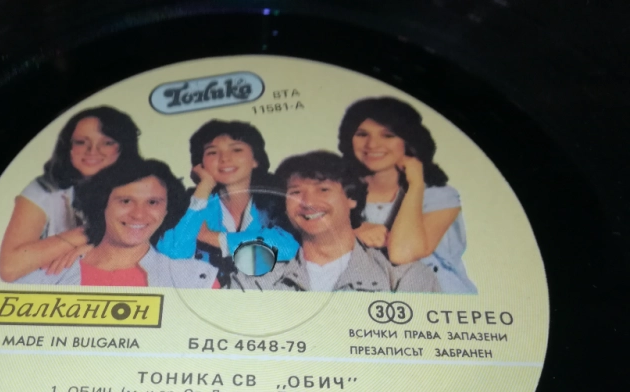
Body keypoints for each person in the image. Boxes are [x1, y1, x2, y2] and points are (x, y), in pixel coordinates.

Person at [228, 151, 440, 292]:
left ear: (351, 198)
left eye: (323, 190)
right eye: (295, 192)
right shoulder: (255, 278)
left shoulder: (405, 276)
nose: (308, 202)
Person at [338, 97, 477, 293]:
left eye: (388, 135)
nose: (372, 144)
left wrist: (416, 185)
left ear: (408, 140)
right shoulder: (336, 190)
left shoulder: (440, 196)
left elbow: (403, 253)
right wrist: (353, 231)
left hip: (438, 299)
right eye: (362, 134)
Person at [16, 159, 218, 288]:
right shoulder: (46, 275)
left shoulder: (197, 279)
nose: (139, 214)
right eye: (126, 201)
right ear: (102, 204)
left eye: (152, 202)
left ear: (166, 210)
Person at [0, 106, 140, 282]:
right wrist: (92, 234)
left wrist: (102, 248)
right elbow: (10, 268)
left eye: (107, 142)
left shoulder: (145, 188)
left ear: (123, 148)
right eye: (81, 142)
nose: (92, 150)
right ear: (68, 147)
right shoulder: (44, 189)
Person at [155, 120, 299, 281]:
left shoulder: (277, 200)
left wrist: (211, 237)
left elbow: (290, 247)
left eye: (236, 150)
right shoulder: (193, 203)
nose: (224, 158)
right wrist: (204, 186)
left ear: (255, 159)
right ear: (201, 163)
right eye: (212, 152)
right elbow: (172, 254)